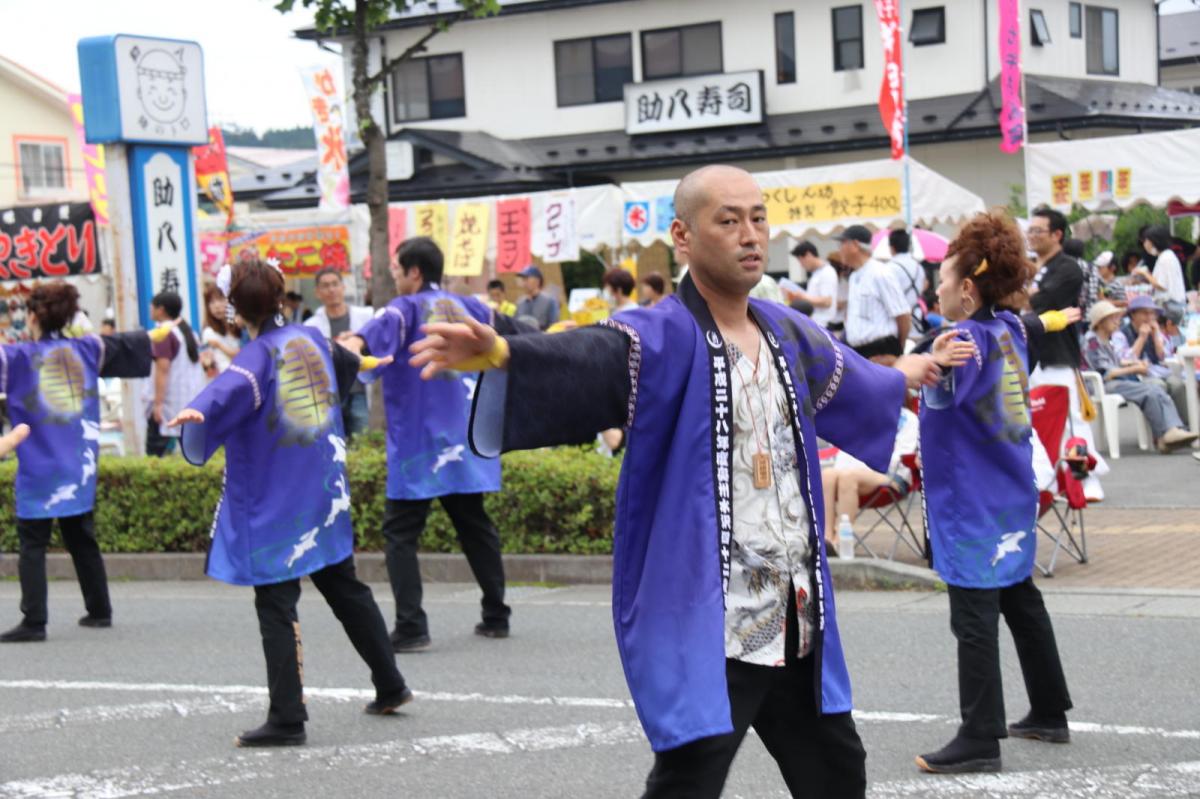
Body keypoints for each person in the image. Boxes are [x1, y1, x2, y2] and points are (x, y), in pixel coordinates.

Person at [410, 165, 942, 799]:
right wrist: (505, 356)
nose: (750, 235)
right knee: (688, 781)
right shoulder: (664, 335)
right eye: (728, 220)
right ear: (683, 239)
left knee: (836, 775)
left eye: (758, 218)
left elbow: (858, 377)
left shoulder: (786, 331)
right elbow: (594, 357)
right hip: (717, 621)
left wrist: (914, 367)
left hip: (798, 613)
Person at [169, 256, 412, 747]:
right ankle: (390, 684)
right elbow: (345, 362)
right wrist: (367, 363)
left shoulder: (253, 359)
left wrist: (197, 412)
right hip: (322, 491)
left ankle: (287, 716)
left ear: (235, 308)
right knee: (344, 586)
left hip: (277, 499)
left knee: (276, 601)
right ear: (279, 297)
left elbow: (222, 397)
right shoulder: (311, 338)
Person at [915, 211, 1075, 774]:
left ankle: (980, 736)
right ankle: (1049, 711)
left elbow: (945, 372)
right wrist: (1061, 317)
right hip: (1011, 491)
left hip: (970, 499)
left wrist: (932, 360)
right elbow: (1037, 325)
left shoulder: (962, 341)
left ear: (965, 288)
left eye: (940, 279)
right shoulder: (1009, 328)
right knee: (1020, 598)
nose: (933, 288)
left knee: (974, 615)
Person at [342, 238, 516, 652]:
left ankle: (412, 625)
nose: (395, 276)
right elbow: (511, 339)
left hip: (420, 444)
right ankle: (496, 614)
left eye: (398, 270)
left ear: (414, 272)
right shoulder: (473, 307)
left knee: (400, 533)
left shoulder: (402, 311)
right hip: (468, 437)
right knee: (474, 525)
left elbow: (360, 345)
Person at [1, 282, 166, 643]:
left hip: (39, 466)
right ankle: (99, 609)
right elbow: (135, 344)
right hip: (78, 465)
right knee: (81, 538)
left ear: (32, 316)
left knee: (32, 542)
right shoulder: (88, 348)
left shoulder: (14, 357)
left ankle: (34, 620)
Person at [1085, 301, 1197, 453]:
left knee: (1155, 390)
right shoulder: (1093, 341)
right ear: (1100, 322)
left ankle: (1169, 433)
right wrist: (1135, 367)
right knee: (1151, 391)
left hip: (1114, 381)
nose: (1117, 321)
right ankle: (1166, 434)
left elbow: (1117, 362)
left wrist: (1132, 363)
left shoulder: (1105, 339)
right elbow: (1106, 372)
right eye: (1113, 318)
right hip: (1101, 384)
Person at [821, 407, 918, 555]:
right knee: (827, 475)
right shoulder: (865, 413)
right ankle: (826, 539)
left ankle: (840, 542)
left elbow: (904, 454)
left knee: (848, 477)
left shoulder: (908, 419)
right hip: (856, 474)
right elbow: (847, 449)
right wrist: (840, 472)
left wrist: (864, 467)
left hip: (892, 476)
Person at [306, 267, 374, 439]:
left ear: (343, 287)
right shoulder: (311, 326)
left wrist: (359, 339)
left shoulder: (366, 316)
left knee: (362, 443)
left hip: (359, 391)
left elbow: (378, 344)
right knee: (333, 443)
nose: (331, 290)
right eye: (325, 286)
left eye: (335, 284)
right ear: (317, 292)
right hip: (330, 396)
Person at [837, 224, 911, 364]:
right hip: (858, 351)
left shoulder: (880, 272)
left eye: (842, 243)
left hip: (881, 350)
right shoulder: (854, 277)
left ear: (855, 245)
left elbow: (903, 315)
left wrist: (897, 350)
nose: (839, 249)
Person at [144, 291, 205, 458]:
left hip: (169, 402)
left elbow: (162, 370)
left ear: (161, 310)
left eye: (152, 307)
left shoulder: (164, 333)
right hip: (189, 400)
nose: (150, 310)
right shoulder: (188, 332)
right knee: (190, 454)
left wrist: (157, 404)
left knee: (155, 454)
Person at [1118, 295, 1189, 421]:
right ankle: (1167, 428)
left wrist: (1156, 336)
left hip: (1157, 371)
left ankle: (1187, 424)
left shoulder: (1156, 331)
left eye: (1152, 314)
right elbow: (1125, 360)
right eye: (1145, 313)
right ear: (1133, 315)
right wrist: (1141, 338)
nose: (1149, 317)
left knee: (1178, 385)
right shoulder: (1121, 333)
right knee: (1158, 386)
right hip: (1135, 375)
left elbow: (1164, 358)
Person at [788, 240, 839, 330]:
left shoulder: (827, 272)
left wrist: (802, 297)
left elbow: (827, 302)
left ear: (808, 255)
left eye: (801, 261)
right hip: (817, 324)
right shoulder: (817, 273)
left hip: (824, 325)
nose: (801, 265)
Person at [887, 229, 927, 337]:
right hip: (917, 319)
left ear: (891, 247)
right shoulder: (919, 267)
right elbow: (922, 288)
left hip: (897, 325)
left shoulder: (888, 268)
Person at [1134, 226, 1186, 307]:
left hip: (1171, 305)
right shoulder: (1165, 256)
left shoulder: (1165, 258)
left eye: (1146, 241)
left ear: (1154, 241)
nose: (1145, 245)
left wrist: (1145, 273)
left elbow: (1161, 285)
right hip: (1173, 304)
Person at [200, 283, 240, 378]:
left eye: (221, 300)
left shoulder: (241, 327)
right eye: (211, 302)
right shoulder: (208, 332)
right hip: (222, 381)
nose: (217, 306)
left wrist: (219, 345)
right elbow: (208, 367)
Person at [515, 266, 560, 330]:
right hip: (523, 338)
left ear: (537, 280)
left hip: (543, 338)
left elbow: (554, 326)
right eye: (523, 279)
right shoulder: (520, 303)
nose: (524, 282)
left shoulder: (550, 301)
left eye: (526, 278)